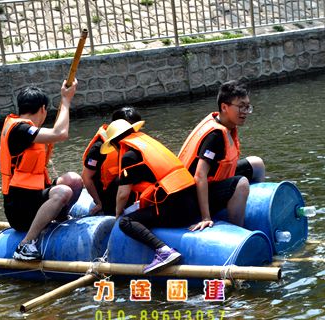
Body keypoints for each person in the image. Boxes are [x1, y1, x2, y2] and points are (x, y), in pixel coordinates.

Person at [100, 119, 213, 273]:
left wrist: (118, 213)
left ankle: (164, 251)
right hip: (193, 205)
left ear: (114, 143)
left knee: (126, 221)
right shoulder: (147, 145)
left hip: (178, 211)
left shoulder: (129, 156)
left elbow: (122, 194)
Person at [0, 82, 84, 261]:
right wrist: (66, 101)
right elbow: (60, 133)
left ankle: (58, 217)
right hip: (19, 209)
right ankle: (26, 244)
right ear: (43, 109)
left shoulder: (18, 128)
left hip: (31, 198)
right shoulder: (21, 129)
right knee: (64, 191)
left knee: (74, 180)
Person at [177, 80, 261, 229]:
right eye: (241, 107)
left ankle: (259, 209)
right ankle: (238, 231)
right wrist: (205, 217)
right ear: (224, 107)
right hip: (193, 196)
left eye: (247, 107)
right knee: (241, 183)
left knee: (256, 164)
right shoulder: (215, 135)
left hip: (215, 182)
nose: (245, 112)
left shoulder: (226, 126)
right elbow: (200, 175)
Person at [81, 107, 143, 216]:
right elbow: (86, 177)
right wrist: (99, 203)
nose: (133, 133)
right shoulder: (99, 148)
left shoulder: (134, 143)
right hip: (109, 194)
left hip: (126, 187)